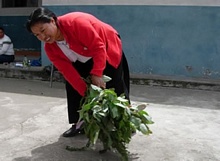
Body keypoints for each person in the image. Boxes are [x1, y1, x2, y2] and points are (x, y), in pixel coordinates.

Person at [26, 7, 130, 137]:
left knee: (114, 84)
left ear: (52, 21)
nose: (42, 37)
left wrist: (97, 74)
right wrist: (87, 94)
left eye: (43, 30)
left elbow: (98, 47)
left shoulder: (76, 23)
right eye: (37, 35)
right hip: (80, 56)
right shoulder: (50, 48)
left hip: (105, 45)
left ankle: (125, 121)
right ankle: (80, 123)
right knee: (73, 87)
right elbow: (69, 73)